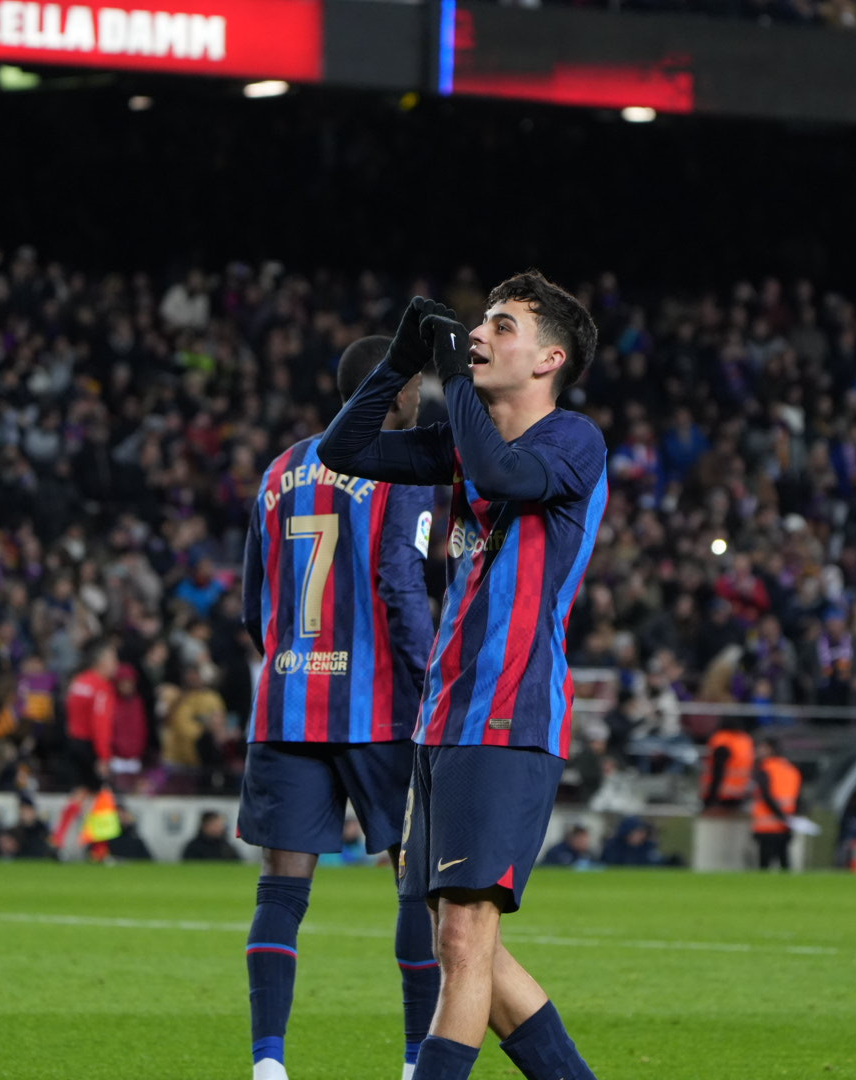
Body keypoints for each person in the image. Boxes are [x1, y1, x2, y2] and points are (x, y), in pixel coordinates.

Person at [321, 273, 607, 1080]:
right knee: (472, 945)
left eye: (502, 324)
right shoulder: (462, 444)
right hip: (443, 721)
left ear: (549, 357)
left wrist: (450, 377)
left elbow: (507, 475)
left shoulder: (572, 441)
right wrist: (401, 363)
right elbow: (343, 452)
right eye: (479, 321)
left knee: (460, 942)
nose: (480, 333)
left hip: (509, 715)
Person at [237, 334, 438, 1080]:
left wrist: (293, 659)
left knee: (281, 889)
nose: (421, 398)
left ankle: (268, 1063)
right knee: (414, 882)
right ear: (396, 392)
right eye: (415, 386)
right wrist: (424, 685)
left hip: (288, 704)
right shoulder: (399, 469)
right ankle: (418, 1061)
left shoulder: (280, 469)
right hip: (378, 708)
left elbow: (252, 603)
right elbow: (400, 584)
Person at [54, 640, 118, 848]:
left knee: (81, 791)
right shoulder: (101, 687)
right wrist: (103, 756)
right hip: (90, 745)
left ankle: (58, 838)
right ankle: (99, 849)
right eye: (112, 660)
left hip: (73, 741)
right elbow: (100, 723)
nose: (115, 665)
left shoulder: (79, 682)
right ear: (101, 663)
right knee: (101, 796)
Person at [750, 737, 801, 871]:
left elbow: (766, 796)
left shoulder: (765, 769)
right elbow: (798, 798)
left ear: (770, 749)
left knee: (764, 865)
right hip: (785, 825)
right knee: (784, 862)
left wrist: (780, 815)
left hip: (767, 826)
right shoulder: (792, 769)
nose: (758, 751)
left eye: (761, 747)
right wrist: (788, 818)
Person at [700, 718, 754, 810]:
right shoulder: (745, 740)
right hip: (740, 793)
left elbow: (718, 770)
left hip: (721, 794)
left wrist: (711, 798)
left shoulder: (722, 740)